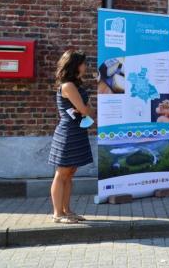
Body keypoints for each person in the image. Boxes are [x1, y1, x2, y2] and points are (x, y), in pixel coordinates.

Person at [48, 50, 95, 224]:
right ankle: (57, 214)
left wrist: (86, 109)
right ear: (75, 65)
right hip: (68, 133)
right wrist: (85, 109)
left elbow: (90, 111)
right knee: (62, 173)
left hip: (77, 131)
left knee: (70, 173)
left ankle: (67, 211)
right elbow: (86, 110)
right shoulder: (67, 86)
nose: (85, 66)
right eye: (83, 63)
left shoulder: (76, 86)